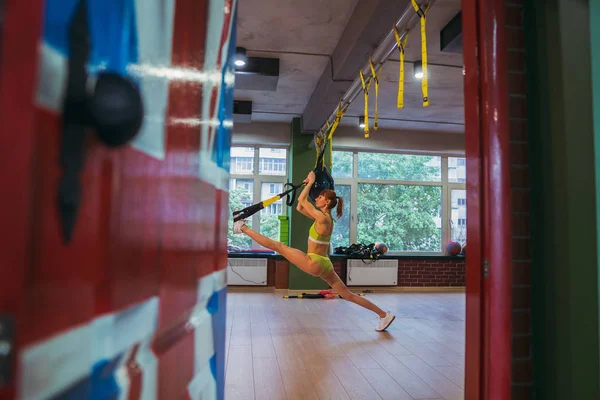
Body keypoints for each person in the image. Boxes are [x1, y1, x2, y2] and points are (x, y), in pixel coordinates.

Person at [233, 171, 395, 332]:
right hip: (324, 264)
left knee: (279, 247)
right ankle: (383, 315)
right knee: (348, 295)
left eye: (320, 197)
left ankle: (242, 227)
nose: (316, 198)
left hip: (315, 262)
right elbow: (299, 206)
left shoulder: (323, 218)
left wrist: (311, 182)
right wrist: (306, 185)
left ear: (327, 202)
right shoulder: (324, 219)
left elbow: (302, 199)